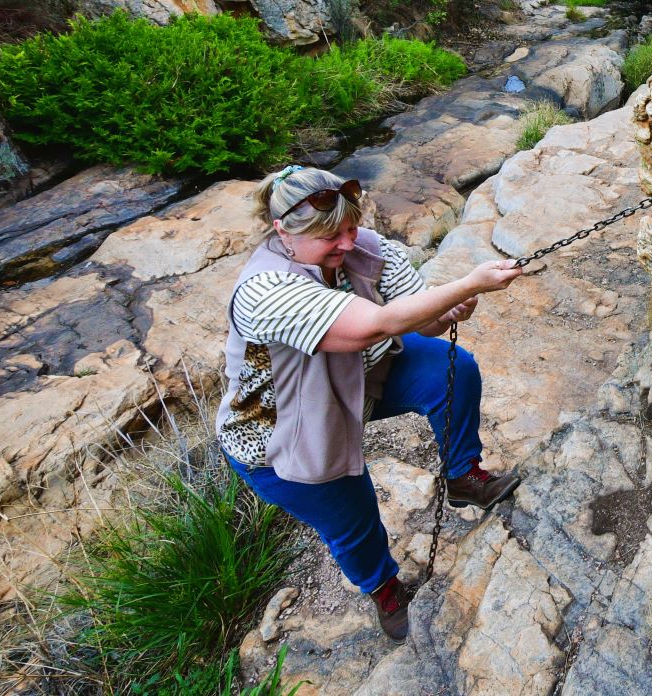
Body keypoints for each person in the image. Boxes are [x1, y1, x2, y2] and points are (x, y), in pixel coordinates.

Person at [217, 165, 525, 641]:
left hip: (361, 381)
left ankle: (463, 475)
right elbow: (373, 326)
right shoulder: (264, 290)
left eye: (350, 228)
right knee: (352, 515)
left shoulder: (370, 250)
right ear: (284, 233)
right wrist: (468, 283)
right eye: (328, 235)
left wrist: (448, 310)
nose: (345, 244)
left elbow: (422, 325)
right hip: (282, 431)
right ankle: (383, 589)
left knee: (453, 369)